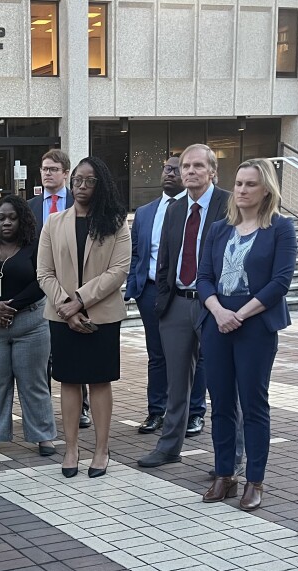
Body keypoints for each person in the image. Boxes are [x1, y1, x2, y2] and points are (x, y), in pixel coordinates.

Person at [198, 159, 297, 510]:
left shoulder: (280, 229)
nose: (241, 190)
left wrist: (239, 314)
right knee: (221, 403)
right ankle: (225, 474)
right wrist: (219, 311)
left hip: (254, 327)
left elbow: (280, 282)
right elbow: (204, 277)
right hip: (217, 323)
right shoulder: (219, 229)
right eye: (238, 183)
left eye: (250, 184)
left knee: (254, 404)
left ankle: (255, 480)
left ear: (265, 189)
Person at [138, 145, 231, 469]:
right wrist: (163, 299)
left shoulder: (228, 204)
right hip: (177, 304)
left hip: (214, 306)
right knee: (177, 383)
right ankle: (168, 447)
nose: (189, 171)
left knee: (221, 385)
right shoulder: (175, 209)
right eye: (185, 166)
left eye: (197, 166)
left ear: (212, 171)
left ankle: (228, 460)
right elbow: (164, 258)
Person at [37, 156, 130, 478]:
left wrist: (80, 301)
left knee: (100, 381)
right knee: (70, 381)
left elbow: (118, 271)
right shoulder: (53, 223)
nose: (81, 186)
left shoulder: (116, 222)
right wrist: (66, 305)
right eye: (77, 180)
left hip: (102, 315)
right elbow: (44, 273)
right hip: (61, 315)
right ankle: (72, 448)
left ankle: (101, 450)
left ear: (100, 184)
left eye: (89, 181)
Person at [0, 195, 57, 457]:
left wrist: (11, 306)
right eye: (1, 218)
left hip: (30, 324)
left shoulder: (34, 247)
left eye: (12, 217)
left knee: (34, 382)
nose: (6, 222)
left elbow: (42, 281)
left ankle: (43, 436)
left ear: (22, 220)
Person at [29, 149, 91, 429]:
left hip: (75, 292)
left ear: (66, 173)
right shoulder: (30, 207)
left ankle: (83, 408)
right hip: (39, 288)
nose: (47, 173)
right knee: (43, 355)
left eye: (53, 169)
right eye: (44, 169)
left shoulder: (79, 202)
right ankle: (43, 413)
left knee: (77, 353)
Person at [125, 156, 187, 434]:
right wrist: (134, 287)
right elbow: (136, 252)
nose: (170, 174)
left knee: (192, 355)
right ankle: (156, 411)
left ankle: (194, 412)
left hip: (186, 293)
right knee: (157, 355)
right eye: (167, 169)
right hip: (150, 291)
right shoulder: (146, 212)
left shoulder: (194, 209)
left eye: (176, 170)